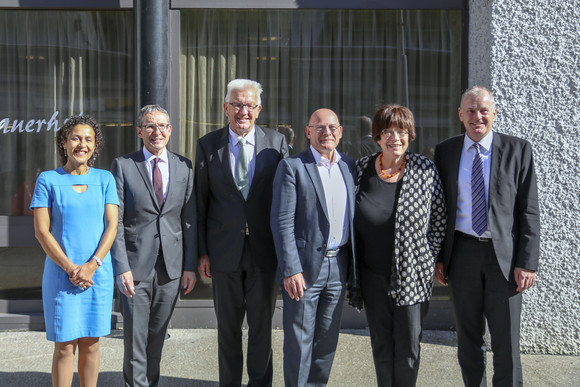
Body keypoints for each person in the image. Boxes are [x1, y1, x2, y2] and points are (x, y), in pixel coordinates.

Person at [433, 86, 540, 386]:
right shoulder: (446, 151)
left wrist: (527, 262)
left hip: (503, 259)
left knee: (506, 344)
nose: (477, 116)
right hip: (462, 255)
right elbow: (441, 210)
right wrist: (441, 257)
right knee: (468, 342)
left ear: (495, 113)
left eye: (483, 110)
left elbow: (528, 211)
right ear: (460, 115)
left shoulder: (518, 150)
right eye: (470, 110)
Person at [195, 79, 288, 386]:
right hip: (224, 253)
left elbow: (286, 201)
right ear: (226, 108)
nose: (243, 111)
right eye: (237, 104)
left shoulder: (277, 144)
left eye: (249, 105)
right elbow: (200, 203)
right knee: (228, 329)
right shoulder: (208, 145)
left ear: (258, 110)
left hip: (265, 251)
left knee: (262, 329)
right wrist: (203, 252)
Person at [352, 104, 447, 386]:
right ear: (377, 137)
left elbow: (439, 218)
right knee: (381, 345)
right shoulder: (361, 168)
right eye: (388, 131)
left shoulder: (424, 169)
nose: (396, 137)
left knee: (408, 348)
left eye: (402, 131)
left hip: (411, 275)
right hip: (372, 276)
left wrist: (426, 258)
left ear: (411, 135)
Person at [110, 105, 197, 387]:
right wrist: (121, 267)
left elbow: (189, 220)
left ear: (170, 130)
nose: (156, 131)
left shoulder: (184, 166)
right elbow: (116, 222)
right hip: (135, 268)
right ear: (139, 131)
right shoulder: (123, 165)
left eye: (162, 126)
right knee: (135, 340)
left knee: (157, 339)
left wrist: (189, 267)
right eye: (149, 126)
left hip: (170, 269)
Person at [31, 115, 119, 387]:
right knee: (65, 345)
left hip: (97, 276)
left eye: (89, 139)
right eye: (76, 138)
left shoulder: (105, 179)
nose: (82, 144)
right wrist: (72, 268)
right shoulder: (47, 180)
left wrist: (92, 265)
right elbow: (42, 232)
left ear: (96, 145)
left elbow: (112, 226)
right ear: (64, 143)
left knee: (92, 343)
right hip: (61, 277)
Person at [271, 108, 356, 386]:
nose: (326, 132)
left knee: (327, 341)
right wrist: (291, 269)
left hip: (338, 265)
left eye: (332, 127)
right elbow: (282, 223)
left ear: (340, 132)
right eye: (319, 127)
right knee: (299, 343)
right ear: (308, 132)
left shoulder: (349, 167)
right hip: (304, 269)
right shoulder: (293, 167)